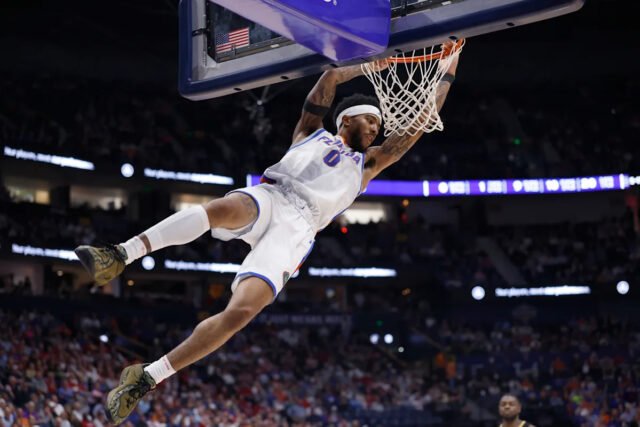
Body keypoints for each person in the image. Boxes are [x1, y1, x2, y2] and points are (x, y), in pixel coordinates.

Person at [74, 41, 462, 425]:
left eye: (377, 124)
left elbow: (420, 120)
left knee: (240, 313)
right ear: (346, 120)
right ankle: (120, 254)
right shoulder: (310, 131)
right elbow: (328, 79)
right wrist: (369, 65)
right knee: (220, 210)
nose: (377, 128)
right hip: (274, 194)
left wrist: (450, 65)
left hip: (299, 228)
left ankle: (147, 377)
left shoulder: (370, 164)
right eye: (370, 120)